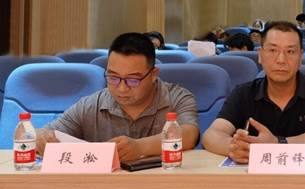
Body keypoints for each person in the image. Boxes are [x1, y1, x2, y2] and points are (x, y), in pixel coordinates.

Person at [35, 33, 199, 161]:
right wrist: (41, 137)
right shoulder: (91, 105)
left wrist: (139, 148)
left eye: (133, 80)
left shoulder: (177, 98)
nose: (122, 88)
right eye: (113, 78)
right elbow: (45, 132)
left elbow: (189, 134)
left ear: (153, 74)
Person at [202, 21, 305, 162]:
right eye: (273, 50)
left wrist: (277, 144)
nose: (281, 60)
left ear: (300, 58)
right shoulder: (243, 93)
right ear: (260, 55)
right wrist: (235, 148)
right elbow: (212, 134)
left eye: (290, 51)